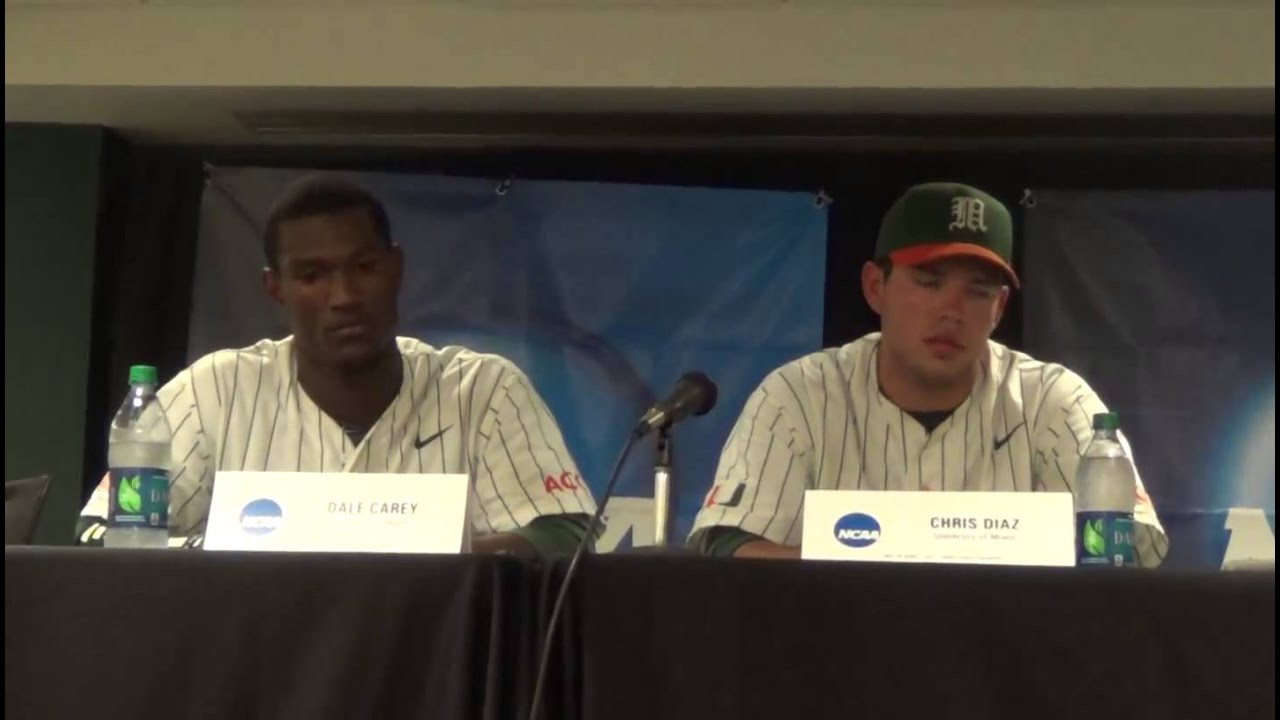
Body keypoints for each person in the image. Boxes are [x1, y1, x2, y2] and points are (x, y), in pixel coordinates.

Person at [79, 176, 596, 556]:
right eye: (312, 275)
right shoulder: (215, 389)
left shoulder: (483, 389)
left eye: (364, 268)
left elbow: (564, 535)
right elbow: (101, 533)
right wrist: (229, 554)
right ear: (275, 288)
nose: (345, 297)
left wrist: (424, 562)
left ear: (395, 269)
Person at [688, 182, 1168, 565]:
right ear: (876, 287)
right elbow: (725, 545)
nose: (951, 311)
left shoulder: (1053, 400)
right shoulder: (798, 395)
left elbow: (1134, 553)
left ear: (999, 309)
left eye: (978, 291)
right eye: (929, 283)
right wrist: (878, 582)